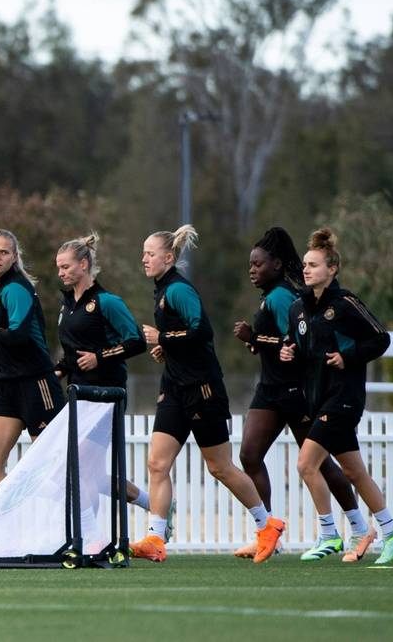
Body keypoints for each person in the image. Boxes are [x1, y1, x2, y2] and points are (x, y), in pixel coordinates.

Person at [131, 224, 284, 564]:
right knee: (157, 463)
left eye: (150, 253)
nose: (144, 259)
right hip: (174, 388)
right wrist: (168, 349)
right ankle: (155, 537)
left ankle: (267, 525)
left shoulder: (178, 289)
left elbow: (202, 331)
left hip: (203, 389)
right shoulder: (161, 290)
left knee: (220, 468)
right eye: (143, 253)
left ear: (169, 258)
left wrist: (163, 338)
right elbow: (183, 337)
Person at [232, 227, 366, 561]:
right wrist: (256, 343)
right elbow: (277, 344)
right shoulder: (269, 296)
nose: (252, 270)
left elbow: (294, 342)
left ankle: (358, 525)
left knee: (320, 464)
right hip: (269, 390)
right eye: (250, 264)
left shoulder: (282, 297)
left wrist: (255, 338)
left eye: (258, 264)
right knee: (249, 454)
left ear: (276, 265)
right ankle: (267, 532)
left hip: (294, 392)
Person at [281, 228, 393, 565]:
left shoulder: (346, 303)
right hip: (318, 399)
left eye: (314, 265)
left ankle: (328, 534)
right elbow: (297, 344)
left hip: (344, 398)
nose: (306, 269)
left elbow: (380, 338)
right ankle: (392, 530)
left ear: (332, 269)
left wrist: (347, 358)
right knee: (354, 472)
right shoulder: (298, 309)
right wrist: (288, 350)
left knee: (306, 464)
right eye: (305, 264)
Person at [52, 233, 153, 515]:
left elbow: (136, 342)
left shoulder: (107, 301)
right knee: (89, 473)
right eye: (58, 268)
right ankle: (154, 504)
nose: (60, 273)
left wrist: (99, 358)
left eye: (66, 267)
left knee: (79, 467)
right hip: (79, 396)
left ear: (84, 264)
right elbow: (72, 352)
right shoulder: (67, 305)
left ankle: (88, 533)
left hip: (107, 396)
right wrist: (58, 370)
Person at [0, 230, 66, 494]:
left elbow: (18, 336)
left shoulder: (16, 288)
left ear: (14, 256)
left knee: (56, 468)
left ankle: (86, 517)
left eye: (4, 252)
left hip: (36, 383)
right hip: (6, 385)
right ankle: (9, 521)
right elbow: (7, 337)